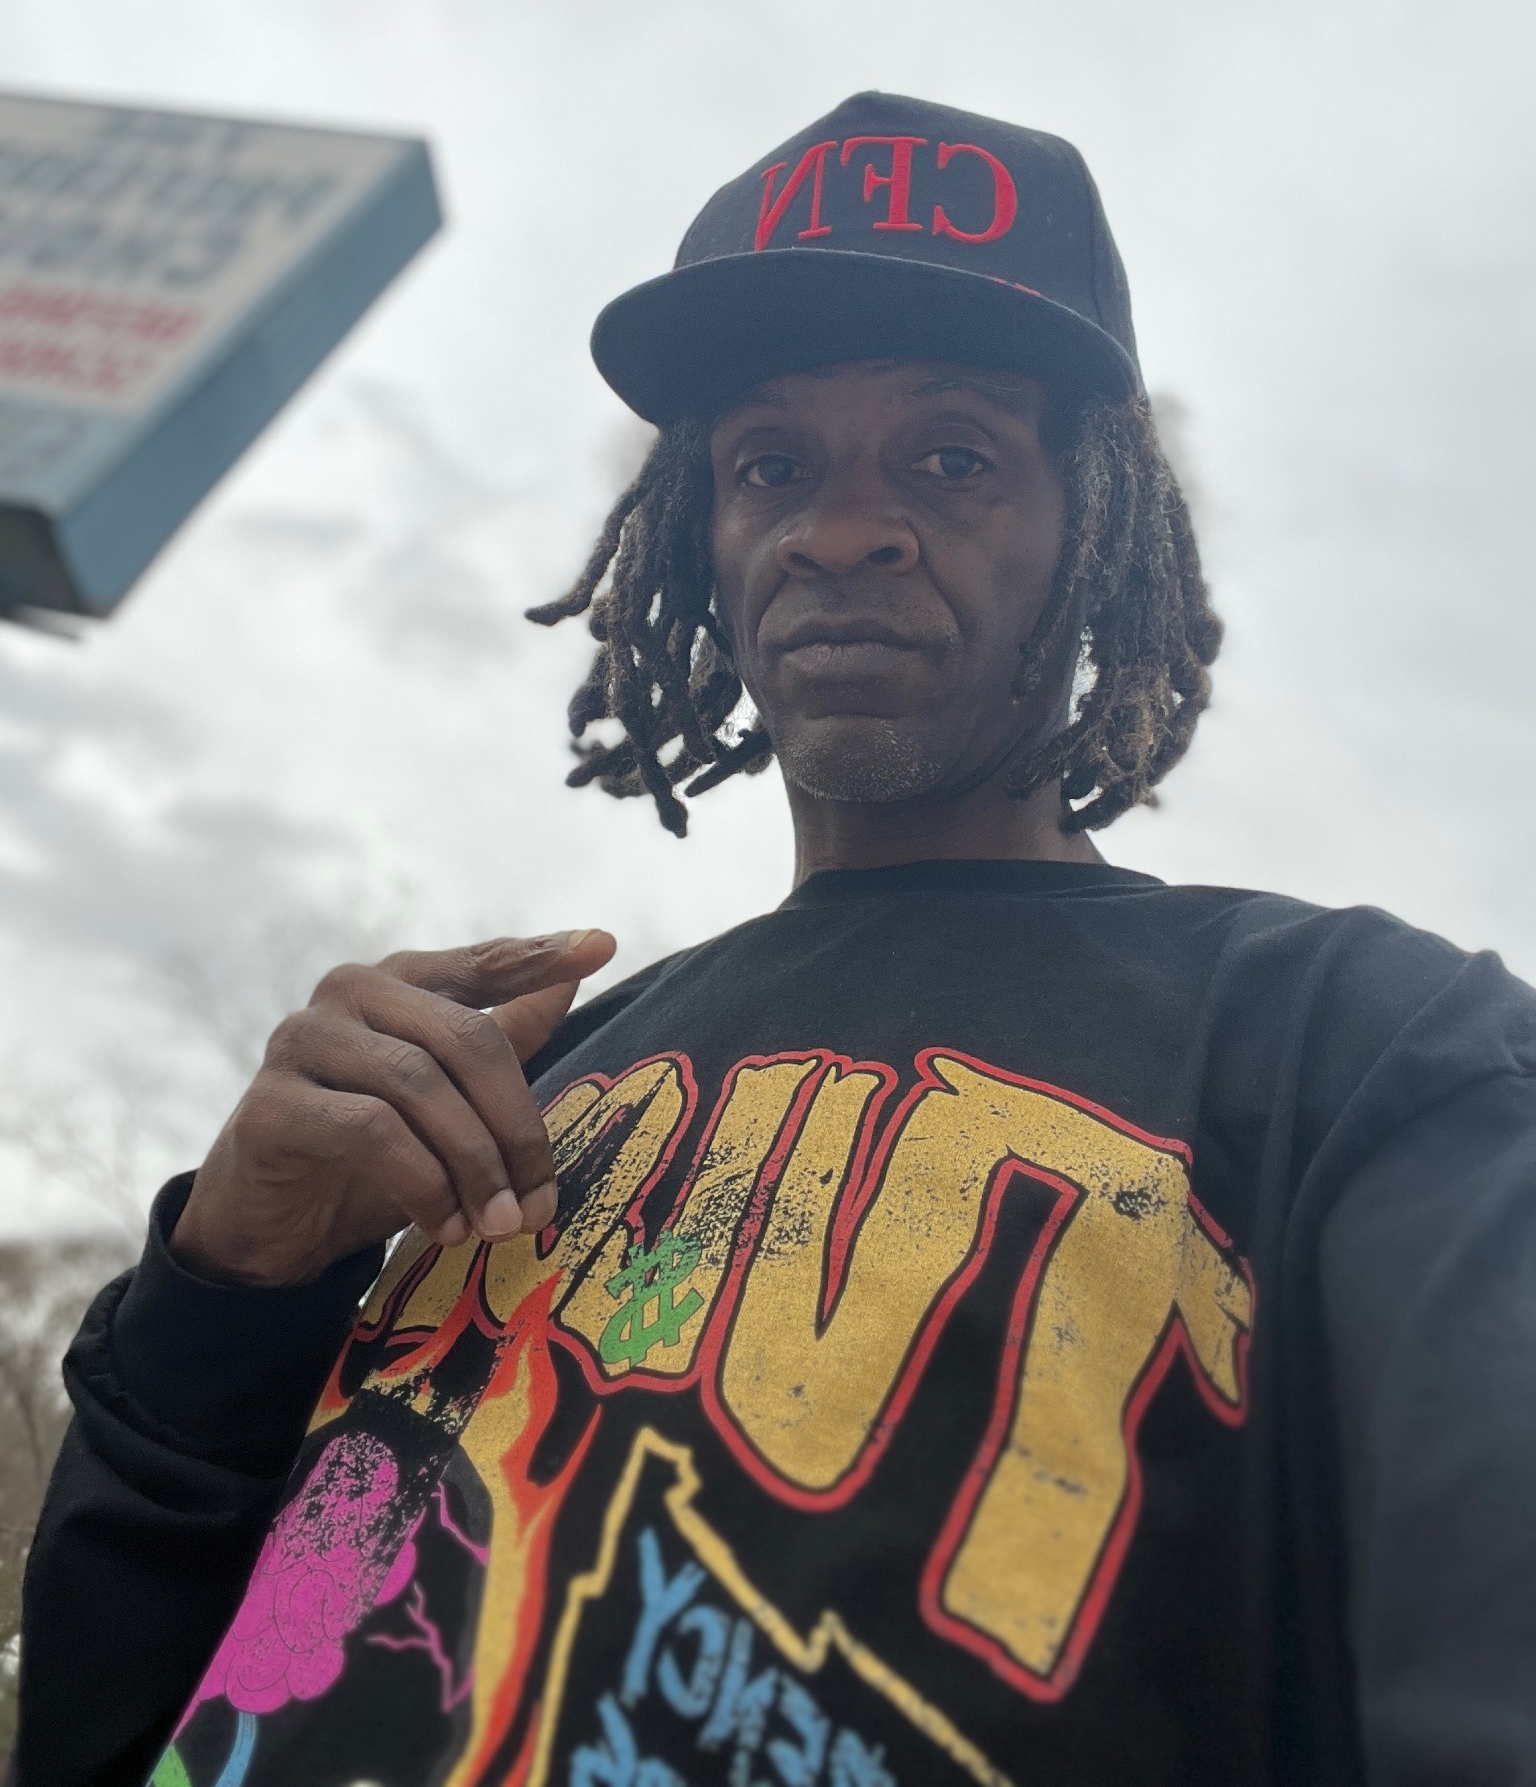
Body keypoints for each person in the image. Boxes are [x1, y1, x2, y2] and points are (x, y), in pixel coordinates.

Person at [17, 92, 1536, 1787]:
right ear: (706, 535)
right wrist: (223, 1294)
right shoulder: (516, 1084)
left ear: (1097, 527)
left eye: (952, 456)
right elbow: (100, 1735)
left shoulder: (1361, 1046)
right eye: (771, 467)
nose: (840, 528)